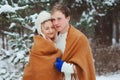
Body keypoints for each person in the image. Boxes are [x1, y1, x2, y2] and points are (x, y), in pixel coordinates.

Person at [51, 3, 96, 80]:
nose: (56, 23)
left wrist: (64, 67)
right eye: (53, 19)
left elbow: (85, 68)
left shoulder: (79, 38)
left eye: (59, 19)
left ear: (68, 18)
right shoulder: (52, 38)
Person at [22, 11, 62, 80]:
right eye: (47, 28)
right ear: (41, 30)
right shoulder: (38, 48)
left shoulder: (60, 42)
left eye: (52, 27)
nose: (51, 31)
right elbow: (33, 72)